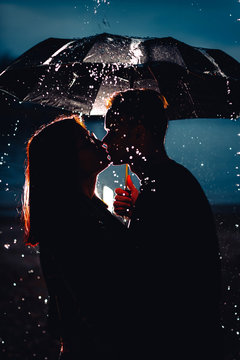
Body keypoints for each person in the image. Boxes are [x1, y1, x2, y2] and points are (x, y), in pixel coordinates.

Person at [103, 89, 223, 359]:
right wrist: (137, 213)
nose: (106, 139)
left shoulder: (163, 189)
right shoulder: (170, 181)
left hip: (178, 341)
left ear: (139, 133)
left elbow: (147, 276)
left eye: (114, 129)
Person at [22, 115, 128, 360]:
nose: (100, 143)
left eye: (91, 137)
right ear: (65, 162)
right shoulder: (68, 220)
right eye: (86, 143)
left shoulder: (89, 209)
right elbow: (99, 293)